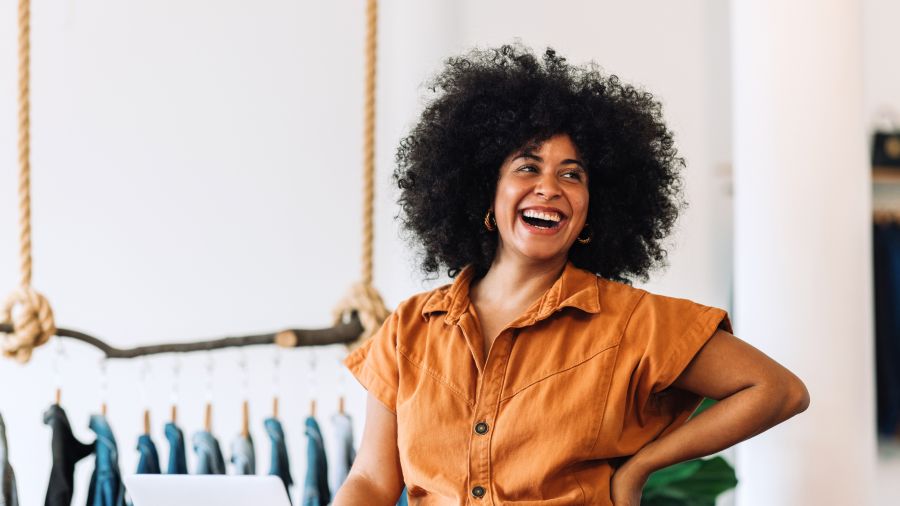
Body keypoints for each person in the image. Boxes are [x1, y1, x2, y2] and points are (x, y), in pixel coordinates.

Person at [333, 44, 809, 506]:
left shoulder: (631, 323)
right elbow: (372, 481)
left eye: (572, 174)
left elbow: (778, 390)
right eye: (527, 167)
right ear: (485, 190)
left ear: (591, 208)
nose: (548, 187)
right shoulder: (410, 327)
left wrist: (641, 467)